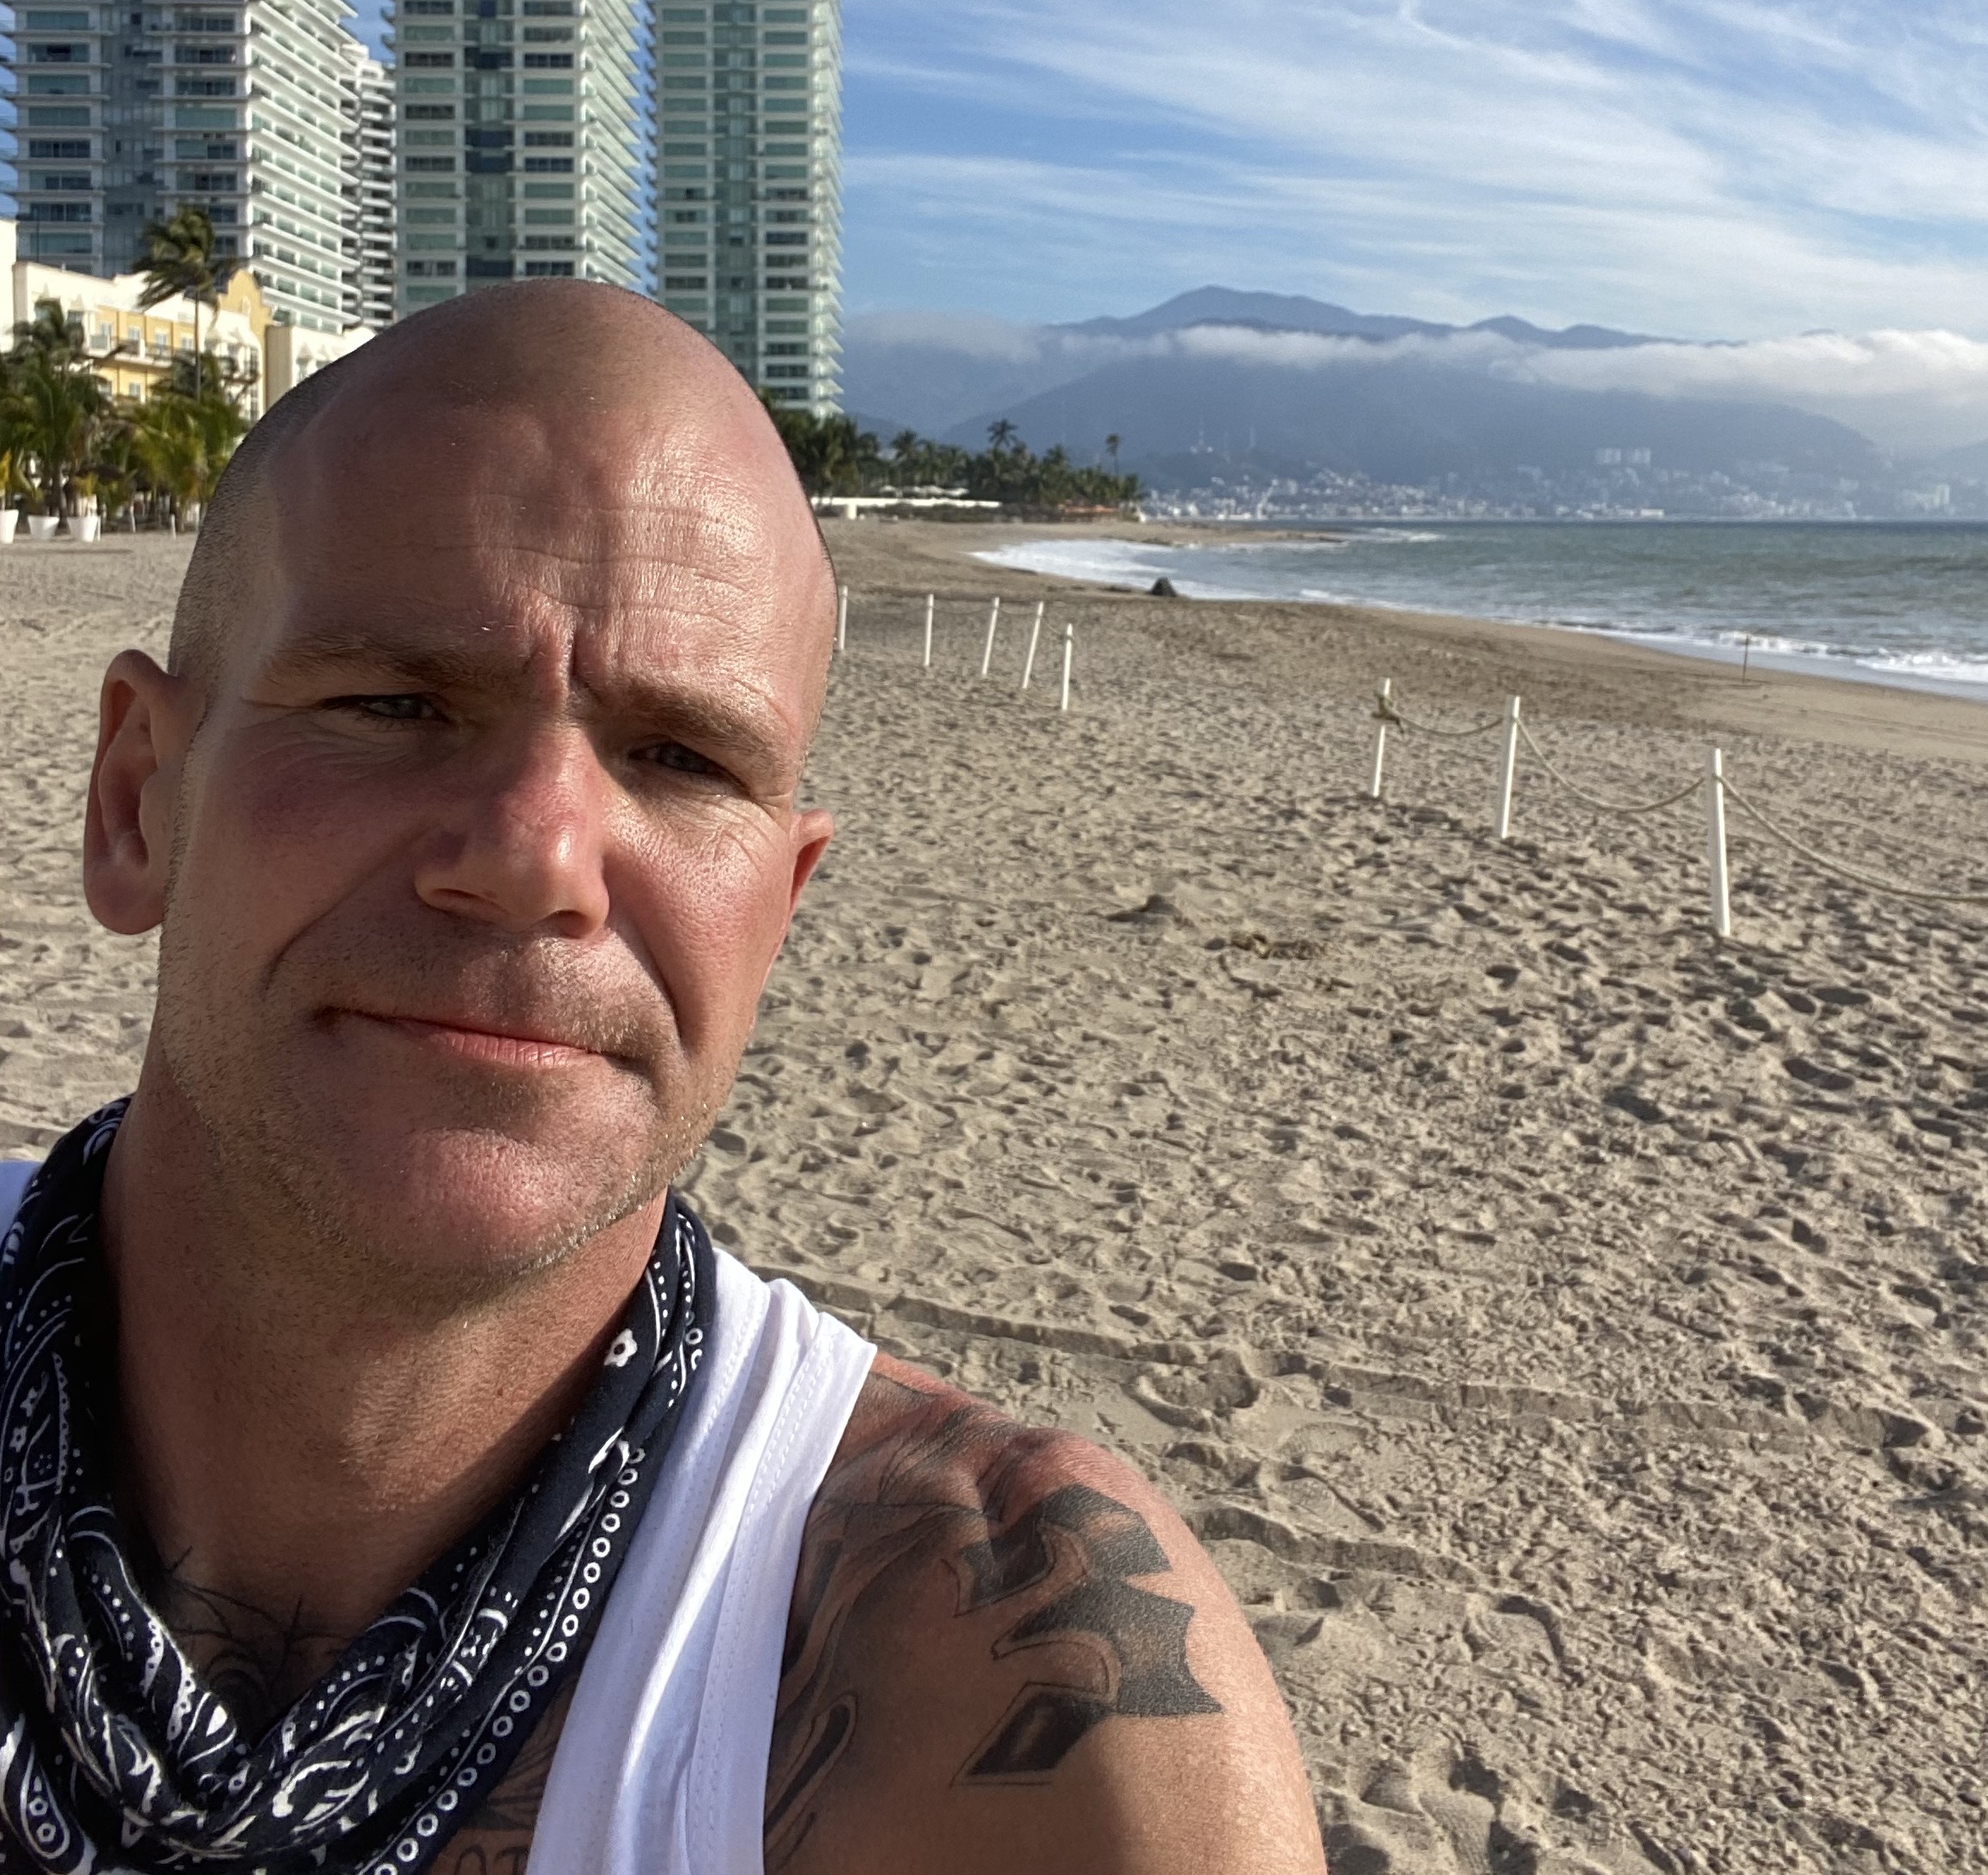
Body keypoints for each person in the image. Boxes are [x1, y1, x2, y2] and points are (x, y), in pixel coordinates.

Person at [0, 282, 1323, 1874]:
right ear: (138, 800)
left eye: (683, 759)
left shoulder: (1011, 1690)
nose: (538, 860)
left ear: (777, 915)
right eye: (395, 704)